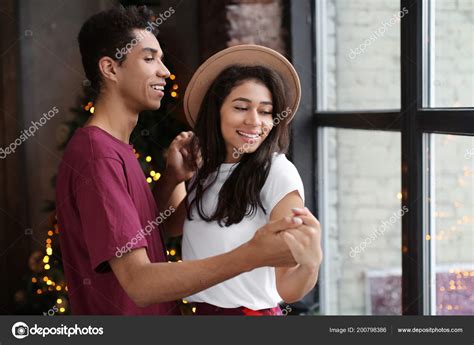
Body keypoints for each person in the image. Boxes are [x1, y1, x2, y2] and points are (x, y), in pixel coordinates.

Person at [55, 6, 320, 315]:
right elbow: (140, 282)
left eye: (265, 111)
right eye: (150, 58)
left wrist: (171, 179)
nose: (165, 72)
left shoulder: (118, 150)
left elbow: (143, 232)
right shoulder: (98, 155)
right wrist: (252, 253)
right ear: (110, 69)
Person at [166, 45, 323, 315]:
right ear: (216, 111)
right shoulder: (207, 170)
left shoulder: (277, 173)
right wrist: (174, 176)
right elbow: (169, 227)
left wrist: (311, 265)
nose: (254, 121)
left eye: (265, 112)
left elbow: (288, 288)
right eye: (241, 107)